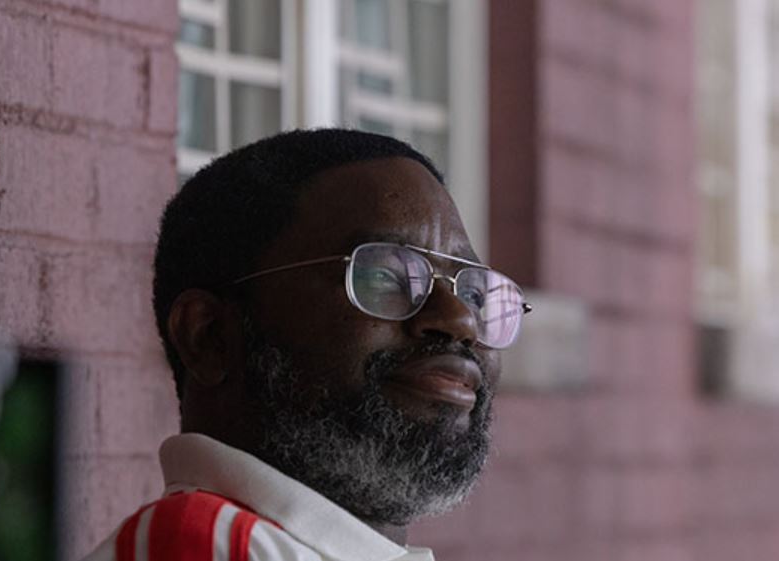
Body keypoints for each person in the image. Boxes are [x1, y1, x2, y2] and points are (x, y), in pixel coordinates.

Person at [81, 129, 531, 561]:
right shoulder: (206, 546)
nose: (460, 319)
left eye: (474, 294)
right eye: (384, 276)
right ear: (210, 337)